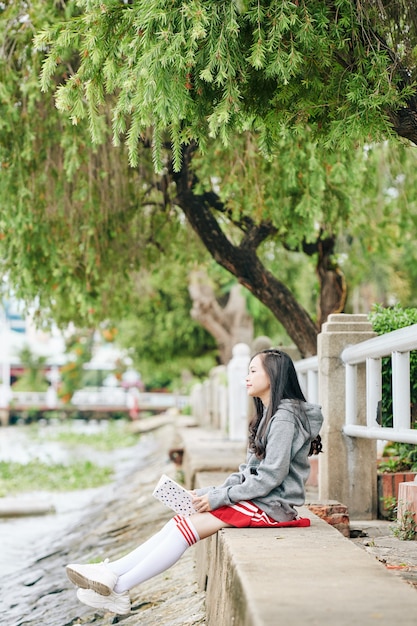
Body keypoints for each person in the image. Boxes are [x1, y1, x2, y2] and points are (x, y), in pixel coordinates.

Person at [66, 348, 323, 615]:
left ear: (273, 375)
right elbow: (248, 471)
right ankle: (113, 573)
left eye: (253, 371)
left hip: (273, 506)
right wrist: (207, 492)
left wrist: (219, 498)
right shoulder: (269, 415)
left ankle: (119, 588)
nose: (246, 377)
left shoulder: (284, 418)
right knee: (179, 521)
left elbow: (271, 476)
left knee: (185, 529)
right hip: (260, 500)